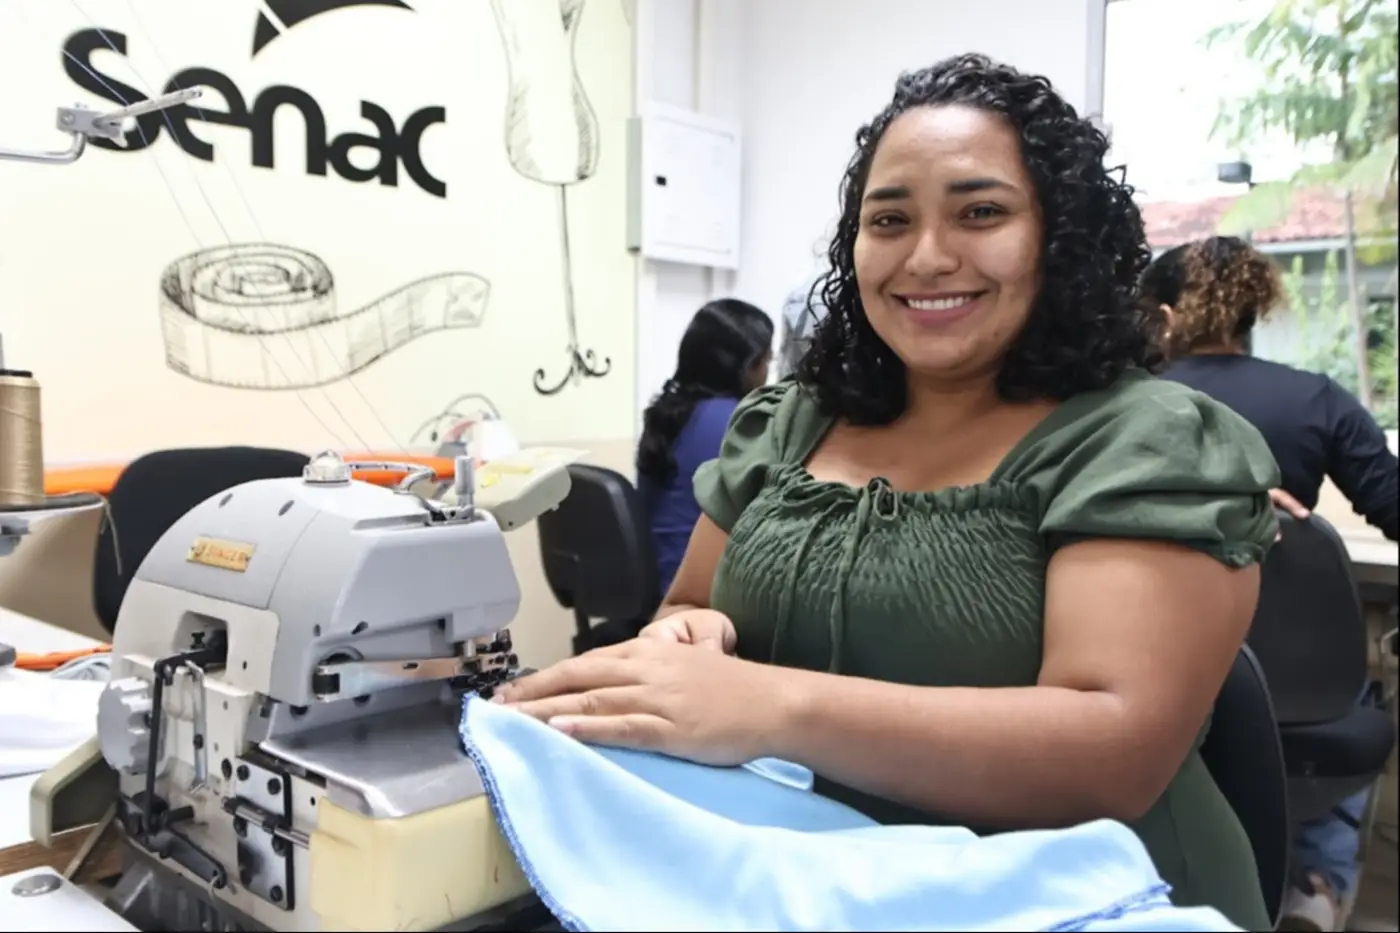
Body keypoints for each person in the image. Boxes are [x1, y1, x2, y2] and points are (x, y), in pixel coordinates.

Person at [498, 54, 1280, 930]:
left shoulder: (1144, 442)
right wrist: (691, 635)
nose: (927, 256)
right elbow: (688, 607)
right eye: (890, 220)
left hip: (1077, 902)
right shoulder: (790, 423)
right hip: (805, 887)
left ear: (1062, 237)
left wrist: (766, 707)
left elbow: (1113, 753)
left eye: (980, 212)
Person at [1142, 235, 1399, 933]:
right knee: (1345, 693)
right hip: (1299, 678)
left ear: (1163, 317)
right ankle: (1315, 886)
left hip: (1165, 669)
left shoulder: (1124, 406)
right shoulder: (1315, 398)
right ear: (1252, 313)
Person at [635, 299, 773, 596]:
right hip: (696, 591)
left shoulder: (667, 412)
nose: (767, 375)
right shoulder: (734, 422)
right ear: (742, 368)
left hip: (659, 580)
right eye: (763, 362)